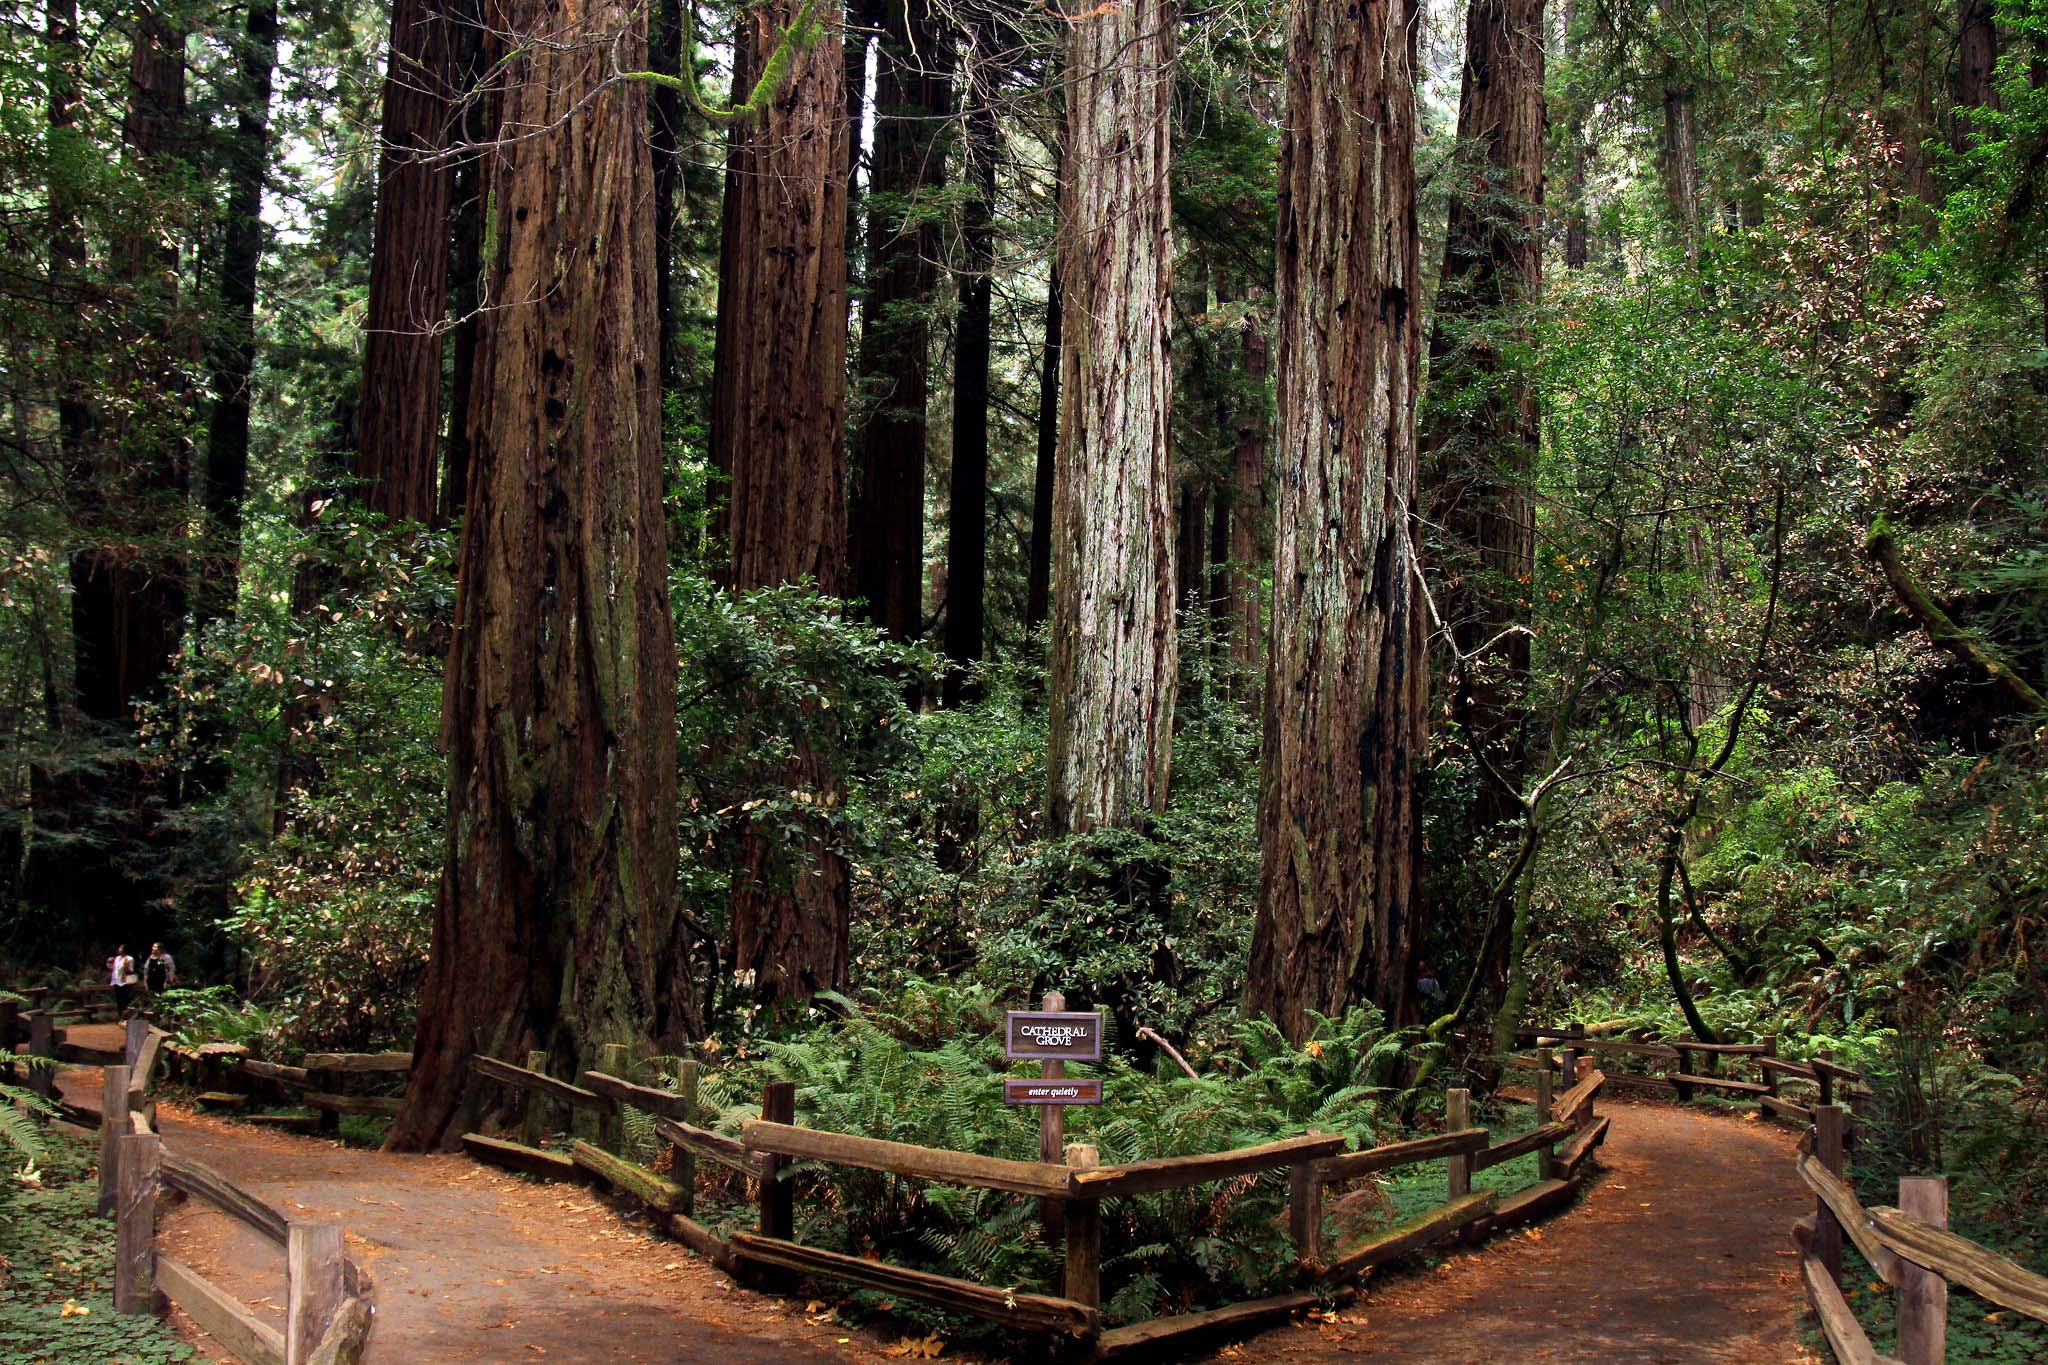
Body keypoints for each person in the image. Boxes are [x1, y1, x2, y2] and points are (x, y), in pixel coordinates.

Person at [108, 945, 139, 1016]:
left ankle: (125, 1017)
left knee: (125, 1000)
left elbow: (131, 970)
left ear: (124, 950)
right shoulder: (117, 958)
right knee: (119, 1000)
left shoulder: (129, 958)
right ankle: (120, 1017)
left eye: (120, 948)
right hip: (116, 981)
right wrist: (109, 963)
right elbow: (114, 969)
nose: (119, 949)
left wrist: (126, 966)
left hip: (125, 982)